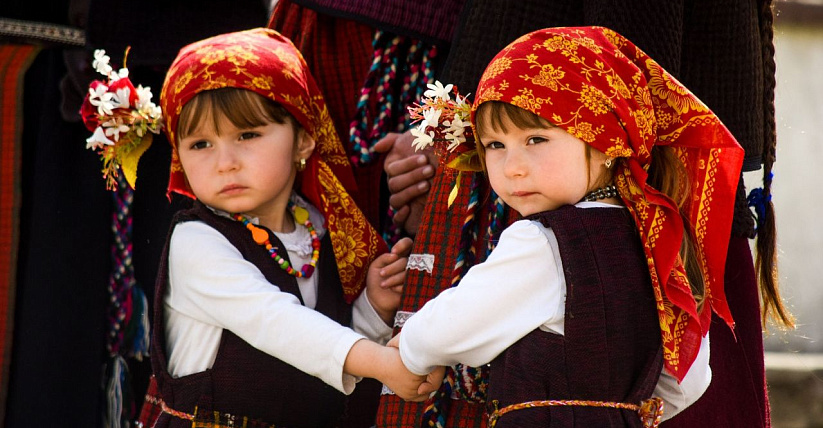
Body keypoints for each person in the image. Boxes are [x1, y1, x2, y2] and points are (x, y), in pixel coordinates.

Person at [391, 26, 745, 427]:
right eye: (495, 145)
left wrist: (411, 350)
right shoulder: (659, 241)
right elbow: (688, 381)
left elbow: (448, 328)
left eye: (536, 140)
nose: (513, 167)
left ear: (607, 140)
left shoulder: (543, 241)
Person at [144, 28, 438, 427]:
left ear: (303, 140)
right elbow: (277, 324)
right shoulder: (196, 241)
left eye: (247, 135)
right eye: (200, 144)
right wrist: (385, 363)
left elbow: (327, 350)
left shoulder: (319, 227)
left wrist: (373, 308)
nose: (224, 161)